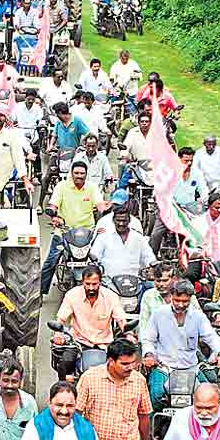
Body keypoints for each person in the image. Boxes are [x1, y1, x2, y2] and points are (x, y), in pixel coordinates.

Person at [141, 279, 220, 402]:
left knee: (210, 398)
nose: (181, 305)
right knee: (156, 396)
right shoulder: (158, 314)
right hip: (165, 367)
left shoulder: (198, 316)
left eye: (185, 301)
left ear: (191, 299)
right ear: (171, 296)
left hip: (191, 368)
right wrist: (149, 355)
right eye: (177, 300)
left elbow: (211, 336)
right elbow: (148, 339)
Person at [41, 161, 109, 295]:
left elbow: (100, 205)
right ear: (71, 174)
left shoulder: (92, 187)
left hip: (88, 234)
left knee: (103, 260)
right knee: (51, 261)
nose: (79, 176)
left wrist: (107, 209)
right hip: (64, 231)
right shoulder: (61, 186)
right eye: (76, 173)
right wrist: (53, 214)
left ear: (86, 174)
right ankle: (40, 293)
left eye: (82, 173)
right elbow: (53, 205)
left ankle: (106, 292)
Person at [52, 265, 126, 380]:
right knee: (63, 365)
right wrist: (58, 333)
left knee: (124, 367)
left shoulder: (111, 297)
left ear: (100, 282)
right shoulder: (72, 295)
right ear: (82, 282)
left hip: (105, 345)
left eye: (94, 284)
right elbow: (61, 318)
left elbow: (121, 319)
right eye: (87, 284)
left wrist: (129, 333)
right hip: (79, 342)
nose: (91, 287)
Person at [90, 206, 157, 284]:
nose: (121, 224)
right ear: (113, 220)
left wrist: (153, 265)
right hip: (109, 283)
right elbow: (94, 256)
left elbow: (148, 256)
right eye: (118, 220)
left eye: (124, 221)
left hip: (134, 282)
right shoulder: (103, 237)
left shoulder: (139, 238)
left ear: (129, 220)